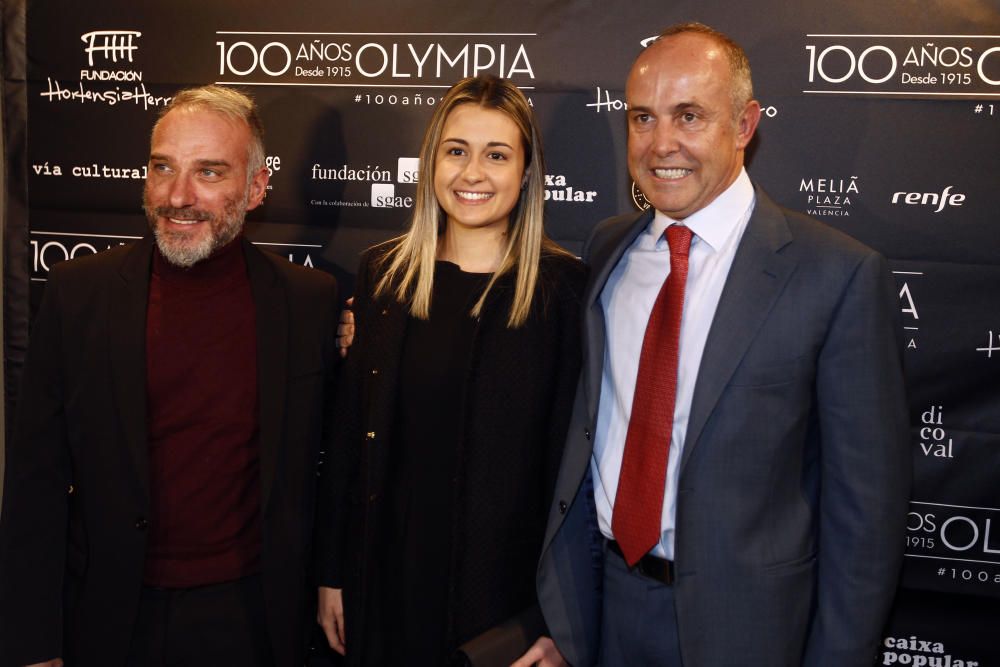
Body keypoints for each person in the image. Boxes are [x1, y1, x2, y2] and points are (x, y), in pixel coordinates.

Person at [523, 22, 911, 667]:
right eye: (642, 118)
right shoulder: (608, 249)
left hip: (751, 631)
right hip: (605, 612)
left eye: (690, 116)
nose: (660, 144)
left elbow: (865, 513)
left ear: (744, 124)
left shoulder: (835, 274)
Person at [0, 85, 339, 667]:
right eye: (164, 168)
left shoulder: (310, 300)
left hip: (252, 617)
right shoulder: (80, 295)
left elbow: (330, 468)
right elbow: (36, 477)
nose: (179, 196)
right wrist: (32, 642)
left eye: (209, 172)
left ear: (256, 188)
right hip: (108, 615)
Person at [314, 74, 585, 666]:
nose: (472, 174)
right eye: (456, 151)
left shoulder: (562, 292)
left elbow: (576, 477)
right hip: (382, 581)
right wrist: (332, 571)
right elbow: (347, 439)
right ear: (432, 160)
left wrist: (559, 622)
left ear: (526, 172)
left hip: (500, 605)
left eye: (497, 155)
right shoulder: (383, 276)